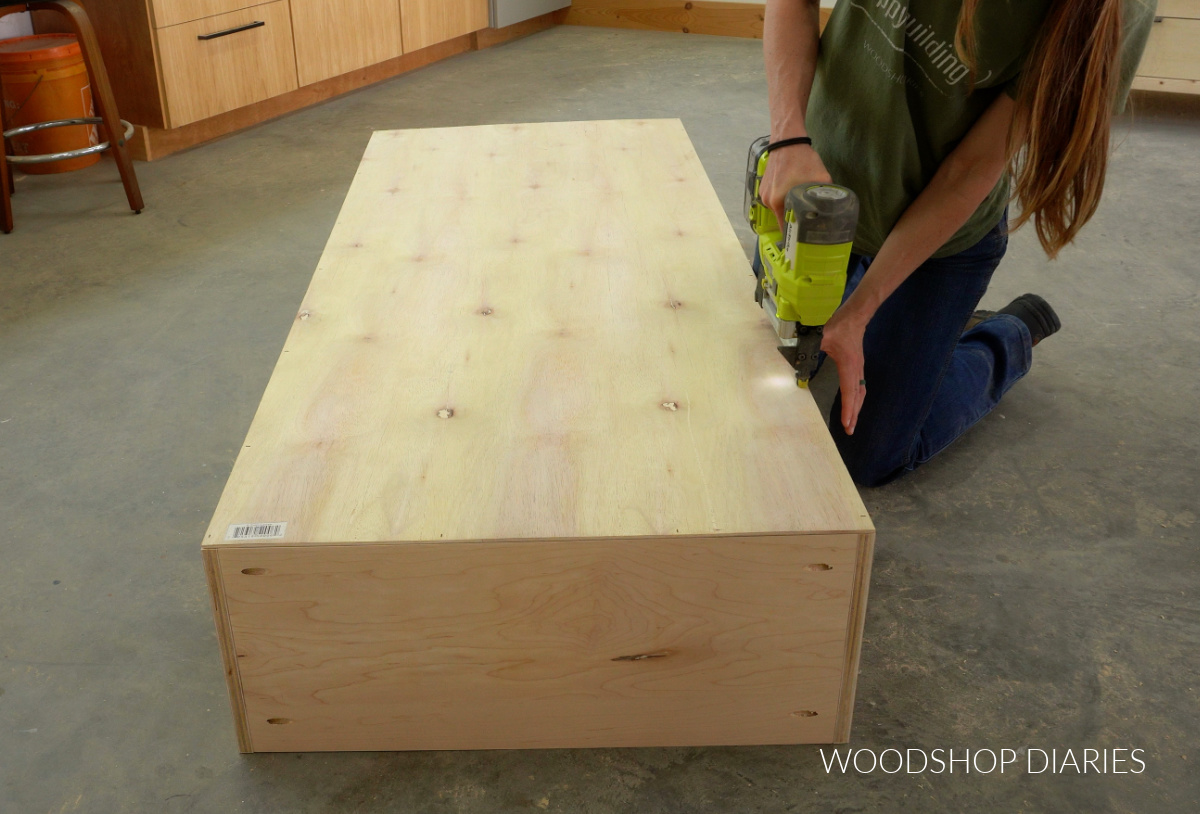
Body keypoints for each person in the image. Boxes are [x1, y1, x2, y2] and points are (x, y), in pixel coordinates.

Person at [758, 0, 1156, 486]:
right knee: (771, 361)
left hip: (938, 239)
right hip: (821, 186)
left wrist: (860, 312)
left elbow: (969, 171)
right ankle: (871, 297)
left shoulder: (1118, 8)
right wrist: (788, 140)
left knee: (868, 455)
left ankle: (1005, 336)